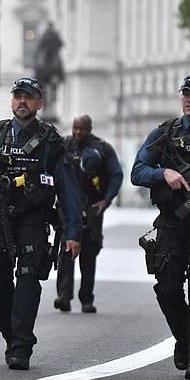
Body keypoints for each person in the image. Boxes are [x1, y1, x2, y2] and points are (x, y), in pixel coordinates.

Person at [0, 77, 83, 370]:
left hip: (33, 218)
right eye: (17, 96)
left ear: (39, 103)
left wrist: (73, 232)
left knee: (29, 280)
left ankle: (21, 345)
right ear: (11, 101)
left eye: (28, 97)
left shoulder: (50, 140)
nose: (22, 101)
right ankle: (12, 334)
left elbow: (68, 190)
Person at [131, 74, 190, 380]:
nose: (188, 99)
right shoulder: (166, 133)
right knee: (166, 288)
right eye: (185, 94)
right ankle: (184, 339)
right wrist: (163, 173)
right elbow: (137, 170)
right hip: (172, 222)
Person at [54, 114, 122, 314]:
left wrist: (107, 200)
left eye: (81, 129)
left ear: (89, 128)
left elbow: (116, 175)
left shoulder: (102, 149)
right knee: (66, 250)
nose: (77, 133)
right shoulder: (64, 145)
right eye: (75, 128)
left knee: (89, 253)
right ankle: (64, 296)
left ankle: (86, 299)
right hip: (67, 207)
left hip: (92, 206)